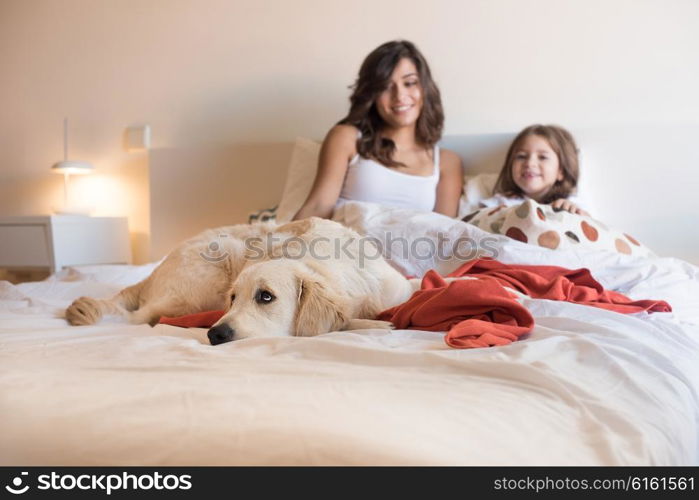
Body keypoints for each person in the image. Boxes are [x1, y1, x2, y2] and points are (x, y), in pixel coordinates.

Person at [293, 40, 463, 221]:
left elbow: (445, 233)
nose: (399, 96)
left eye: (410, 83)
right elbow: (318, 206)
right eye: (385, 87)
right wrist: (286, 244)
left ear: (425, 88)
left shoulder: (446, 162)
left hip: (410, 248)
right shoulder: (347, 139)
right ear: (372, 94)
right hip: (345, 245)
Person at [485, 124, 589, 216]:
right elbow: (477, 224)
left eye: (542, 157)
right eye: (521, 156)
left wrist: (577, 214)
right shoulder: (500, 202)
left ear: (560, 171)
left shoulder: (569, 204)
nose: (529, 164)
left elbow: (592, 231)